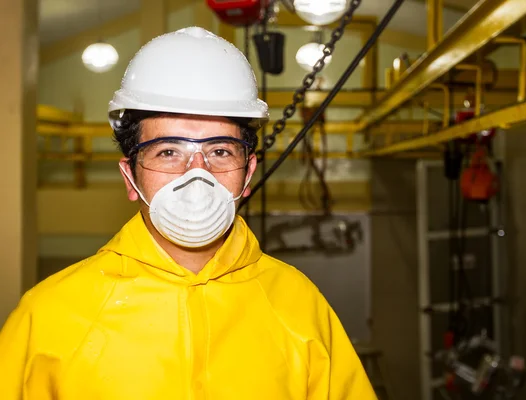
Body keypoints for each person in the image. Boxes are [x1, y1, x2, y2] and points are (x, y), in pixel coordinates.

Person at [0, 27, 376, 399]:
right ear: (130, 176)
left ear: (248, 174)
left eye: (220, 151)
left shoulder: (300, 307)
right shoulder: (49, 317)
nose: (198, 173)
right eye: (168, 151)